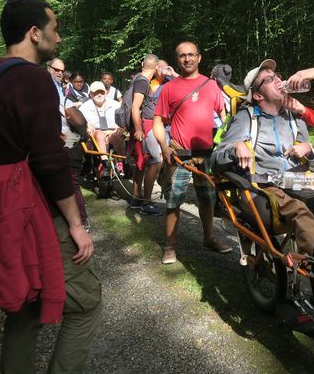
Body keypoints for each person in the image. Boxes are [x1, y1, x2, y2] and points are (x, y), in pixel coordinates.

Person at [0, 0, 101, 373]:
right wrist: (77, 225)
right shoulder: (32, 78)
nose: (59, 37)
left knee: (25, 308)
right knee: (86, 304)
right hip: (36, 209)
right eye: (54, 28)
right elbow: (49, 160)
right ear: (35, 34)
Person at [211, 59, 314, 258]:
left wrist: (308, 148)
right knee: (301, 214)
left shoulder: (293, 116)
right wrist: (236, 147)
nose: (278, 80)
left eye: (276, 76)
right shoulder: (246, 118)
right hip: (264, 184)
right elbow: (215, 161)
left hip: (295, 179)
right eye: (269, 79)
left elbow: (313, 158)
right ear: (258, 94)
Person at [153, 41, 231, 264]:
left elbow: (224, 116)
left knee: (207, 199)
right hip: (179, 154)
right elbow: (158, 121)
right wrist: (164, 146)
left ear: (199, 57)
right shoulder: (168, 88)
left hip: (206, 152)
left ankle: (209, 238)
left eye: (191, 55)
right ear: (177, 59)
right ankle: (170, 246)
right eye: (182, 56)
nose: (187, 59)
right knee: (173, 200)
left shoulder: (211, 85)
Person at [47, 57, 90, 230]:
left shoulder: (62, 90)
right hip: (55, 141)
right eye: (56, 70)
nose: (59, 73)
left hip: (69, 141)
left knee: (71, 181)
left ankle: (81, 221)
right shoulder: (46, 87)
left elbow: (77, 120)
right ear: (48, 68)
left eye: (62, 70)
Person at [129, 54, 164, 215]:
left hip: (145, 125)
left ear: (143, 63)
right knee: (156, 160)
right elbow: (135, 107)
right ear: (156, 67)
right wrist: (138, 129)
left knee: (142, 162)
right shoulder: (143, 81)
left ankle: (137, 198)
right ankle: (147, 203)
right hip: (146, 125)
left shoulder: (139, 79)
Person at [79, 81, 125, 168]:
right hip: (95, 134)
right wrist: (86, 125)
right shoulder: (85, 107)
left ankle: (123, 162)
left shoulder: (115, 104)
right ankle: (104, 161)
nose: (99, 95)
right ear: (91, 94)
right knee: (100, 134)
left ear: (106, 93)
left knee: (116, 135)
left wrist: (121, 127)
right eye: (96, 93)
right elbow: (80, 123)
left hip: (111, 132)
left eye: (101, 92)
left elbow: (123, 120)